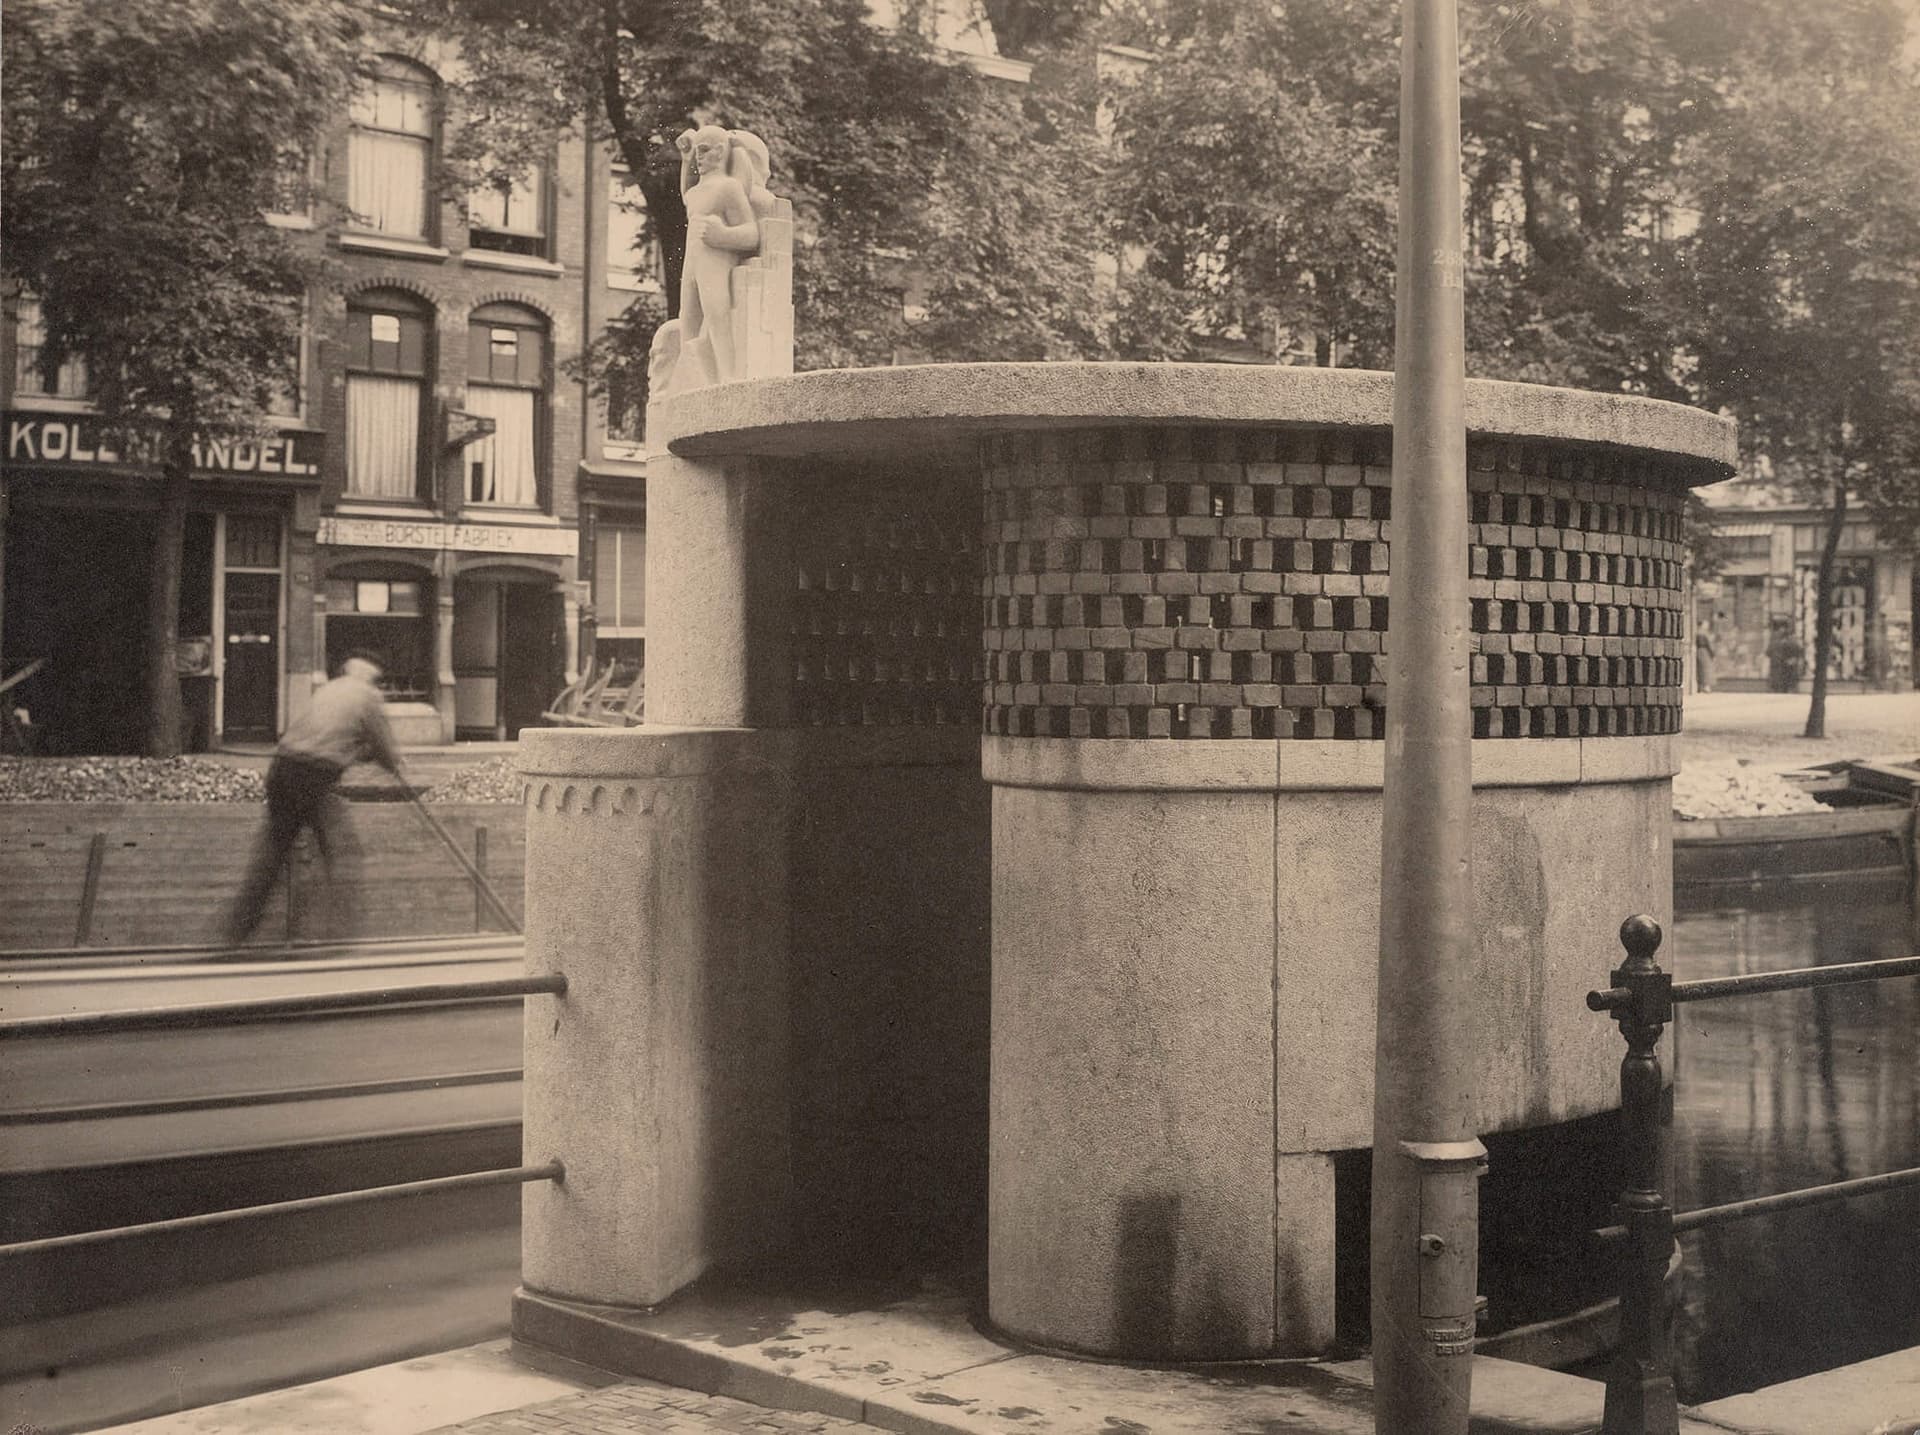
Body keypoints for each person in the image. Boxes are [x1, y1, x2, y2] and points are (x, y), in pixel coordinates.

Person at [221, 653, 404, 946]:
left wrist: (363, 753)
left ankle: (237, 933)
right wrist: (393, 764)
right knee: (343, 851)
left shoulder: (328, 690)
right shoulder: (368, 696)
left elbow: (329, 736)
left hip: (282, 768)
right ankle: (339, 937)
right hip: (313, 776)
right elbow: (382, 745)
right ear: (373, 675)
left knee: (273, 852)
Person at [1694, 623, 1715, 693]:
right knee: (1706, 669)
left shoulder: (1697, 632)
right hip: (1705, 651)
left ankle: (1700, 686)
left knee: (1700, 669)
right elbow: (1709, 644)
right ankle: (1706, 687)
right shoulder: (1704, 634)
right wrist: (1712, 654)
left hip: (1698, 651)